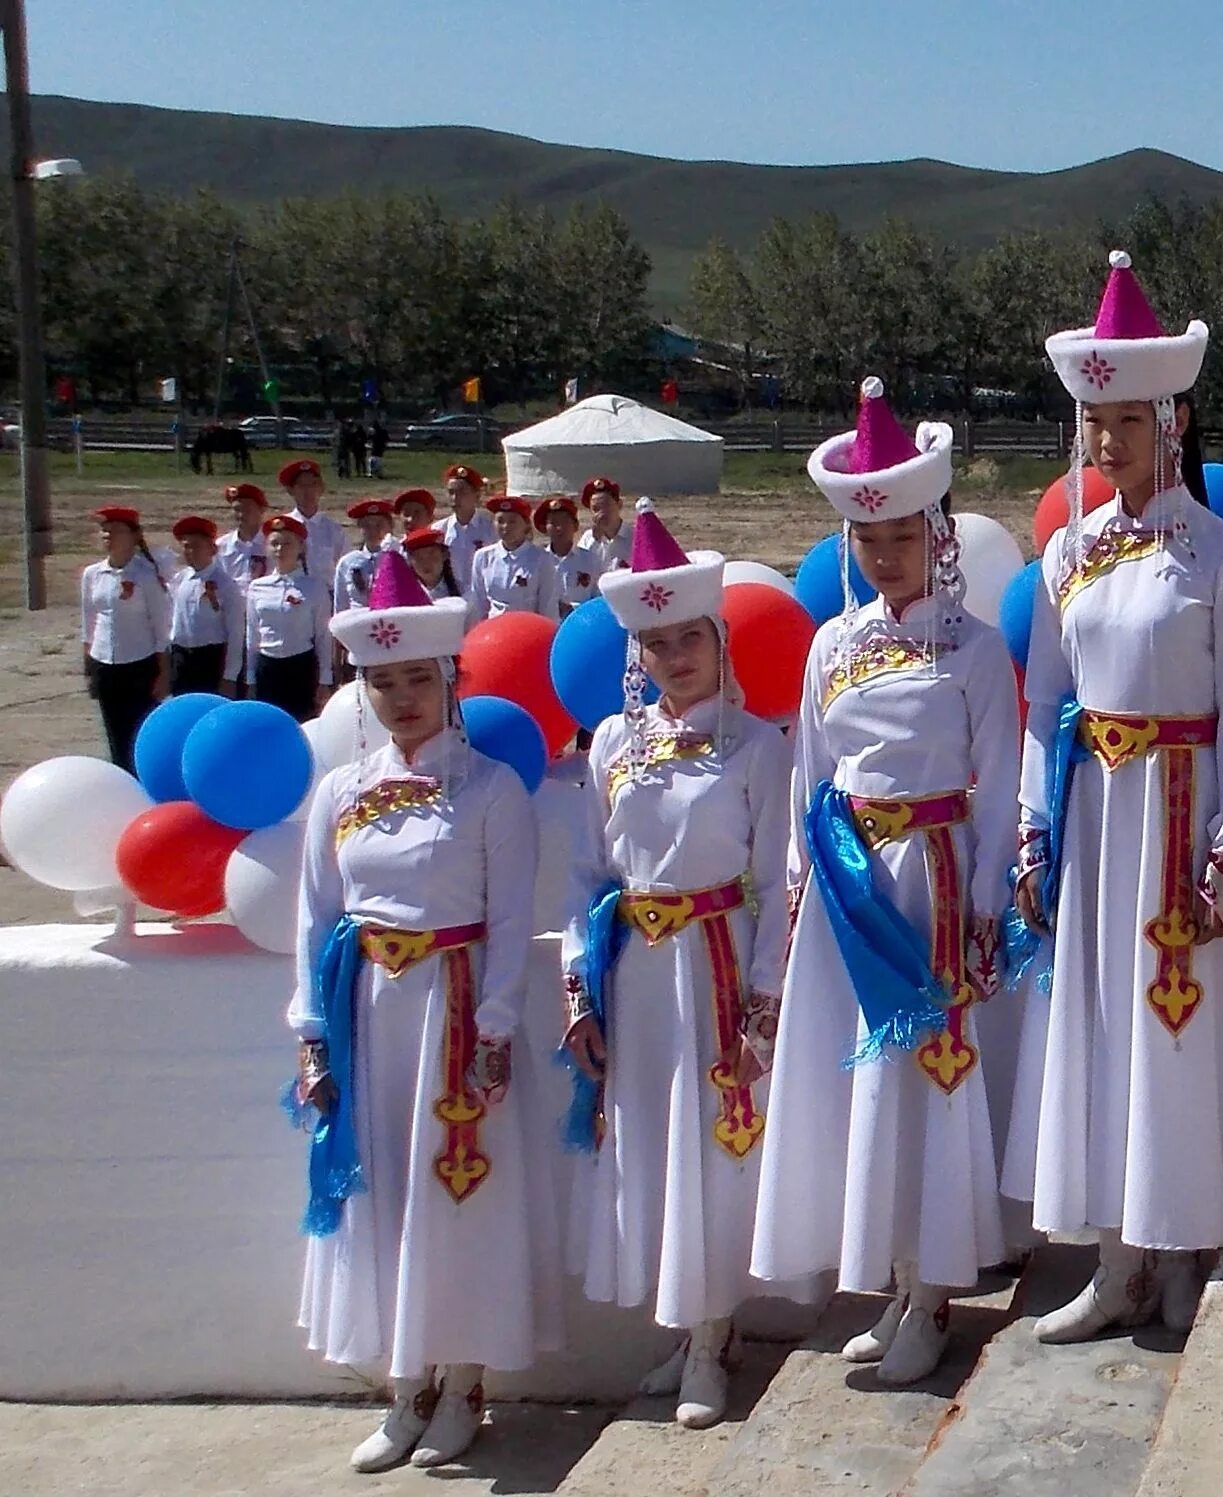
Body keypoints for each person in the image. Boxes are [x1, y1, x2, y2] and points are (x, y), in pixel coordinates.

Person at [1003, 251, 1223, 1343]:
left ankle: (1184, 1249)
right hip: (1096, 817)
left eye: (1127, 418)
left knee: (1177, 1033)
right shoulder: (1066, 558)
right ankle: (1116, 1259)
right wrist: (1036, 825)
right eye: (1093, 420)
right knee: (1102, 1032)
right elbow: (1046, 708)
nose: (1108, 440)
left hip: (1179, 818)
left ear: (1170, 421)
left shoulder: (1219, 554)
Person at [750, 377, 1019, 1387]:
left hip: (935, 886)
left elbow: (994, 793)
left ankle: (938, 1288)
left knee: (932, 1081)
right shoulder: (830, 646)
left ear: (934, 533)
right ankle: (895, 1277)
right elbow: (807, 780)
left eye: (900, 537)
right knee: (870, 1085)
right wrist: (797, 891)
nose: (883, 556)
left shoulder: (974, 650)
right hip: (849, 893)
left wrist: (984, 905)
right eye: (866, 541)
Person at [288, 550, 560, 1472]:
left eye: (417, 677)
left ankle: (464, 1380)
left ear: (451, 678)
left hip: (451, 1013)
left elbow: (515, 919)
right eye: (381, 681)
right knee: (390, 1191)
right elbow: (317, 914)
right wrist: (313, 1034)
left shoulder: (490, 791)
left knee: (460, 1189)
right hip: (369, 1010)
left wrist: (494, 1029)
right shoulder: (341, 793)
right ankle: (405, 1387)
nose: (401, 697)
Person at [561, 499, 791, 1429]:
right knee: (654, 1149)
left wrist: (763, 997)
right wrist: (582, 984)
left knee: (715, 1146)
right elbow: (587, 870)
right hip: (638, 973)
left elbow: (778, 882)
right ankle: (690, 1324)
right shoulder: (612, 744)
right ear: (637, 654)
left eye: (691, 635)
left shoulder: (758, 746)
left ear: (718, 638)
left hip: (716, 964)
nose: (676, 654)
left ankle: (711, 1335)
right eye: (657, 642)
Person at [80, 505, 171, 773]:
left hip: (140, 664)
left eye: (116, 530)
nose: (108, 535)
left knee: (141, 734)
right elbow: (88, 623)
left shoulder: (145, 575)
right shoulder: (92, 574)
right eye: (104, 530)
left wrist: (163, 673)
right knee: (114, 735)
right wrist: (89, 669)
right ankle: (120, 782)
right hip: (105, 663)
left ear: (134, 536)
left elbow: (160, 628)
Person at [246, 514, 333, 722]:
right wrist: (250, 677)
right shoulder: (257, 587)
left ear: (301, 547)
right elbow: (252, 635)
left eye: (287, 543)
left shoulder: (314, 587)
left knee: (302, 725)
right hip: (267, 668)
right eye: (274, 544)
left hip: (301, 667)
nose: (280, 549)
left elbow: (323, 636)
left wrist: (324, 679)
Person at [168, 515, 242, 696]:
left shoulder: (225, 584)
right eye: (186, 546)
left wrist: (230, 676)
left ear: (212, 549)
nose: (190, 551)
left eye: (196, 546)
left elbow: (235, 633)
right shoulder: (179, 579)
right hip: (182, 656)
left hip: (211, 658)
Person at [469, 495, 560, 620]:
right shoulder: (483, 557)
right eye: (500, 521)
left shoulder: (541, 558)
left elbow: (548, 606)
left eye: (512, 521)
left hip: (526, 628)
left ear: (526, 525)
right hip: (493, 628)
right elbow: (479, 603)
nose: (506, 526)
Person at [279, 458, 346, 600]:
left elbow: (345, 567)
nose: (308, 491)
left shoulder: (333, 529)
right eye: (301, 486)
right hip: (291, 594)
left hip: (326, 596)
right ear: (291, 490)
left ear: (321, 488)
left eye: (313, 485)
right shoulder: (282, 528)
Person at [405, 525, 480, 629]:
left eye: (431, 554)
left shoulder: (464, 593)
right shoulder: (404, 594)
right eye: (418, 557)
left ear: (445, 555)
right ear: (410, 561)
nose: (426, 563)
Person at [533, 495, 596, 617]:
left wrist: (573, 609)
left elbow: (597, 598)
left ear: (576, 526)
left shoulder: (590, 560)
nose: (560, 528)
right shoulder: (537, 561)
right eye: (553, 523)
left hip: (581, 623)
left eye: (565, 522)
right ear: (544, 528)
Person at [437, 466, 496, 593]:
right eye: (451, 492)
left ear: (477, 495)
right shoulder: (440, 530)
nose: (455, 498)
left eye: (462, 492)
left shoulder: (490, 528)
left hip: (482, 595)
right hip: (450, 596)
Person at [334, 499, 397, 615]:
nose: (373, 531)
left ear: (391, 526)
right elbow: (340, 606)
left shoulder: (401, 558)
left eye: (379, 525)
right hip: (358, 624)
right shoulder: (348, 562)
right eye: (367, 525)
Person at [217, 482, 270, 592]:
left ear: (262, 509)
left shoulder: (273, 544)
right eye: (236, 509)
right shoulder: (222, 546)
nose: (241, 515)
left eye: (247, 509)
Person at [579, 476, 632, 574]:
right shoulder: (588, 538)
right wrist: (595, 541)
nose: (602, 513)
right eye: (596, 509)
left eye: (607, 505)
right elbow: (579, 571)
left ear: (619, 505)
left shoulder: (635, 537)